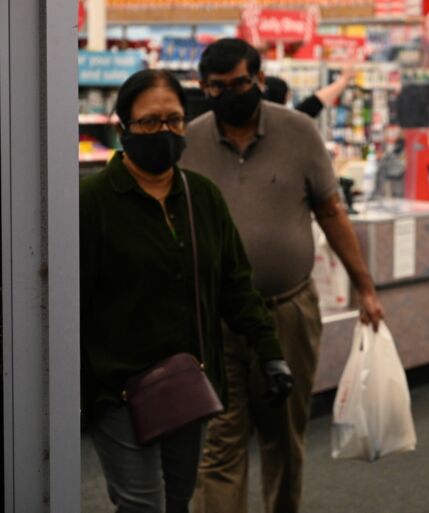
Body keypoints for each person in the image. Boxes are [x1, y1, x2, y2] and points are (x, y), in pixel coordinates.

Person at [180, 39, 385, 513]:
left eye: (241, 84)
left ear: (259, 78)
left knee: (282, 438)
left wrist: (366, 288)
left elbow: (332, 213)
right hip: (217, 317)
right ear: (203, 87)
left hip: (287, 311)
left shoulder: (298, 132)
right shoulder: (188, 141)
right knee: (220, 442)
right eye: (219, 87)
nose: (232, 94)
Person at [80, 69, 294, 513]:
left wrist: (268, 350)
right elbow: (74, 301)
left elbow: (235, 282)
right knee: (143, 505)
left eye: (175, 120)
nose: (165, 131)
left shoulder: (202, 197)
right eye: (150, 122)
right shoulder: (93, 201)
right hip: (116, 386)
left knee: (178, 502)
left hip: (186, 380)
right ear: (122, 126)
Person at [263, 64, 356, 118]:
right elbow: (316, 101)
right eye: (287, 94)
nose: (290, 97)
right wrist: (344, 79)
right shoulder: (288, 121)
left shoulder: (255, 123)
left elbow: (315, 101)